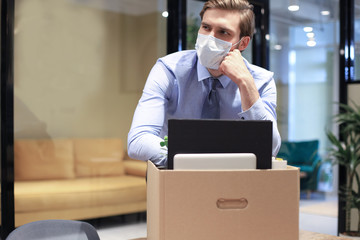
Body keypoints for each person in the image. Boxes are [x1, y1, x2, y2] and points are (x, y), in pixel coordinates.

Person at [128, 0, 281, 167]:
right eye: (206, 27)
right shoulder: (168, 70)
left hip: (235, 180)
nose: (209, 38)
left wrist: (246, 84)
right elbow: (138, 139)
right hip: (172, 175)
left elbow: (270, 148)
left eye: (223, 32)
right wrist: (195, 161)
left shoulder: (261, 81)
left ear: (243, 43)